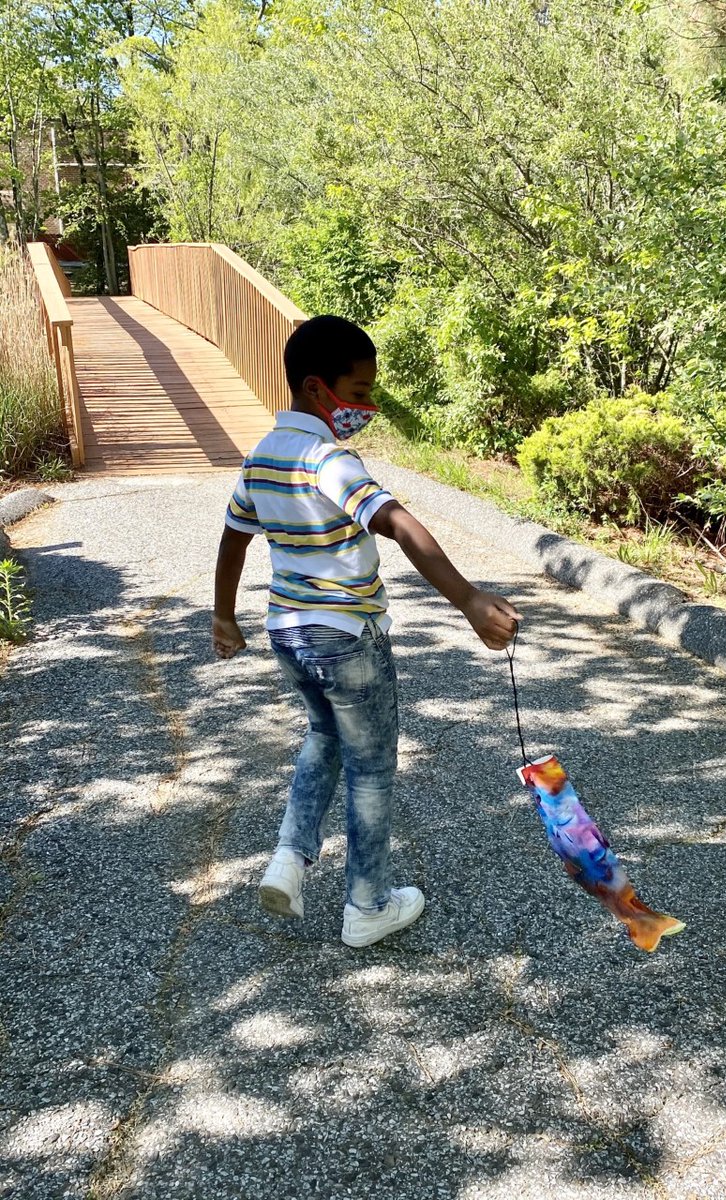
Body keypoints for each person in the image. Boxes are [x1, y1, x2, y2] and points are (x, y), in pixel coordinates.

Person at [212, 315, 521, 947]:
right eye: (358, 393)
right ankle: (367, 905)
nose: (366, 407)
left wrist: (223, 616)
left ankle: (289, 859)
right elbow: (398, 523)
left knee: (323, 737)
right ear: (316, 388)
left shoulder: (261, 458)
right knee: (372, 767)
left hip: (289, 633)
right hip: (348, 637)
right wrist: (467, 598)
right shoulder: (329, 461)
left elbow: (232, 542)